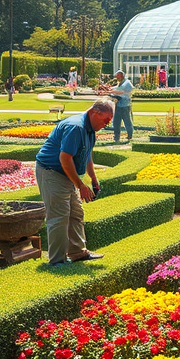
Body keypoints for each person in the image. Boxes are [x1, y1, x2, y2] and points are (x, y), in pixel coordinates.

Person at [35, 99, 113, 266]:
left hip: (65, 173)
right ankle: (57, 260)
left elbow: (86, 155)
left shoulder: (90, 129)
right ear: (94, 112)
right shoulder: (76, 127)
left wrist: (93, 178)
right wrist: (80, 185)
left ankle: (78, 253)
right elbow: (65, 159)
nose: (107, 124)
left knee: (76, 213)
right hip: (52, 172)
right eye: (105, 120)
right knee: (59, 216)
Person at [109, 70, 134, 143]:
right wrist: (111, 89)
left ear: (122, 75)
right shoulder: (121, 83)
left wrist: (113, 91)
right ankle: (116, 137)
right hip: (118, 104)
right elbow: (118, 88)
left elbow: (124, 91)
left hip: (125, 105)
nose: (116, 78)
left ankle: (130, 135)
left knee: (127, 121)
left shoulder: (127, 83)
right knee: (116, 121)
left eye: (118, 76)